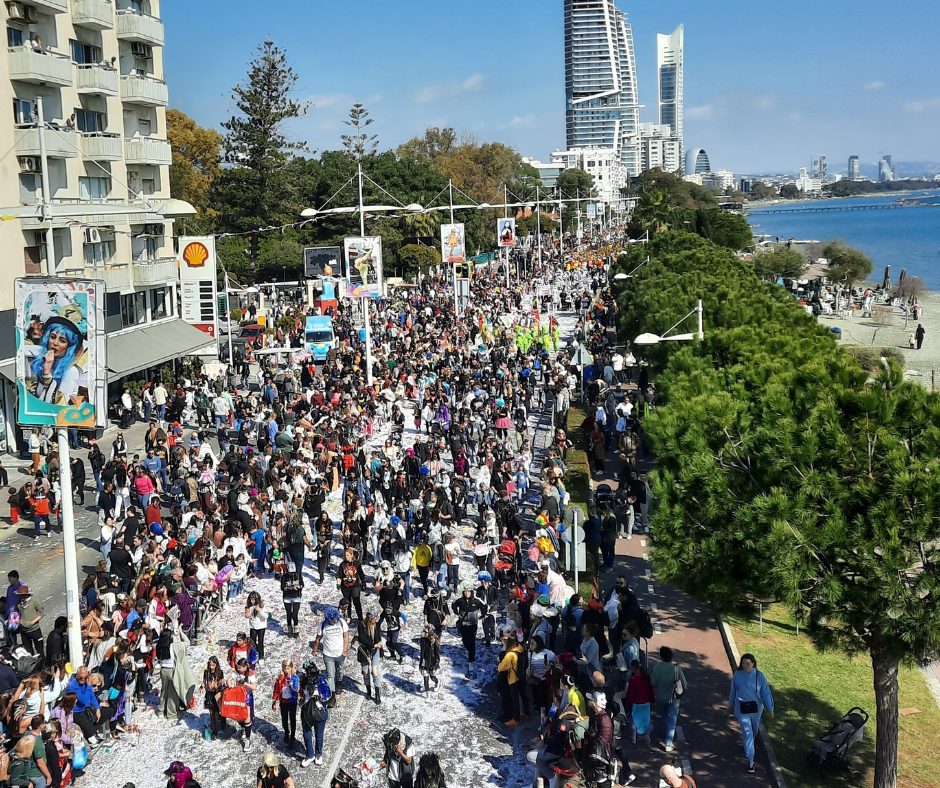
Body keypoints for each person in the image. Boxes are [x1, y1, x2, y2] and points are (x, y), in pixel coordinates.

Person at [729, 652, 774, 773]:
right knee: (748, 732)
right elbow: (733, 691)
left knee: (753, 731)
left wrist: (770, 708)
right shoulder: (737, 675)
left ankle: (748, 748)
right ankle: (751, 761)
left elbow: (766, 693)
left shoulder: (759, 676)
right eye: (743, 663)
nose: (745, 666)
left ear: (753, 663)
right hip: (741, 709)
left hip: (756, 710)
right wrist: (732, 704)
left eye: (747, 663)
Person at [650, 646, 687, 753]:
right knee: (672, 719)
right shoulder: (676, 668)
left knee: (664, 715)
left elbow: (653, 682)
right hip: (674, 698)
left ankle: (665, 732)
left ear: (661, 656)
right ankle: (668, 743)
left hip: (660, 697)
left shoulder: (657, 667)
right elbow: (684, 684)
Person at [299, 660, 331, 768]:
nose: (310, 675)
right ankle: (309, 755)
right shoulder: (303, 680)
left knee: (319, 735)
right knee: (307, 734)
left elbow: (328, 694)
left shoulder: (321, 680)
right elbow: (298, 692)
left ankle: (318, 754)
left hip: (319, 711)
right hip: (306, 711)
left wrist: (319, 696)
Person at [312, 607, 349, 699]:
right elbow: (318, 639)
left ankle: (339, 682)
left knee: (340, 670)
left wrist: (345, 649)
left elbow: (346, 636)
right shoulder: (322, 625)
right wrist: (315, 650)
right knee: (330, 674)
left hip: (340, 653)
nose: (334, 621)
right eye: (332, 619)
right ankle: (332, 695)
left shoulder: (341, 622)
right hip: (328, 654)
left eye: (336, 618)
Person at [353, 611, 384, 704]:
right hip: (364, 651)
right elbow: (363, 639)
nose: (375, 620)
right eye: (373, 619)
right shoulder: (361, 625)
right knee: (365, 672)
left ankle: (377, 694)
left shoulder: (376, 625)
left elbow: (378, 638)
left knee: (375, 672)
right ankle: (368, 691)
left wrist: (380, 651)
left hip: (375, 651)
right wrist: (374, 645)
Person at [271, 659, 300, 748]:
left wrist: (291, 684)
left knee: (292, 719)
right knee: (284, 719)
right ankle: (286, 732)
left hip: (292, 702)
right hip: (283, 701)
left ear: (291, 668)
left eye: (288, 668)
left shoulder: (295, 678)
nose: (286, 670)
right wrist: (274, 700)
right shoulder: (280, 679)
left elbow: (297, 689)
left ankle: (293, 735)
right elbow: (276, 689)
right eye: (285, 668)